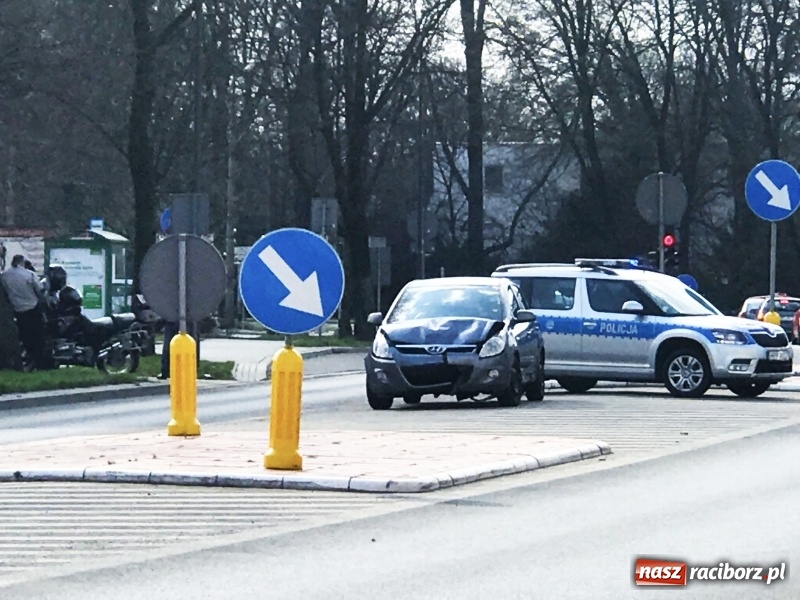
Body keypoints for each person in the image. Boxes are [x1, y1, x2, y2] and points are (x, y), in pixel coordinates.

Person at [0, 254, 47, 369]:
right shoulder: (29, 275)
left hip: (16, 310)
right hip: (33, 309)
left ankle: (26, 358)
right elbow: (40, 291)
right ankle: (40, 362)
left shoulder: (4, 276)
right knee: (37, 337)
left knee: (24, 336)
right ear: (23, 262)